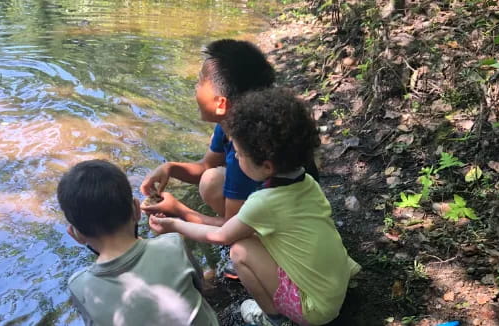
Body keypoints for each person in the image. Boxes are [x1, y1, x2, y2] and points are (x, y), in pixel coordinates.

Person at [148, 88, 361, 326]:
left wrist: (175, 224)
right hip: (337, 280)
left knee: (239, 251)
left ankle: (273, 318)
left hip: (316, 310)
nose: (236, 160)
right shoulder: (306, 182)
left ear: (267, 166)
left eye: (238, 154)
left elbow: (220, 235)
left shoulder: (264, 202)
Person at [140, 39, 319, 226]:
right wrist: (170, 168)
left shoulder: (247, 156)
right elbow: (207, 165)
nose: (195, 87)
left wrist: (178, 211)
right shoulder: (236, 123)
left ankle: (261, 244)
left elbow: (228, 226)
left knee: (212, 183)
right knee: (211, 176)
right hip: (296, 203)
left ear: (221, 104)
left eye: (200, 81)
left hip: (287, 226)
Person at [57, 160, 219, 326]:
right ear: (136, 209)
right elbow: (200, 286)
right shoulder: (172, 244)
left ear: (75, 234)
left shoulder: (79, 286)